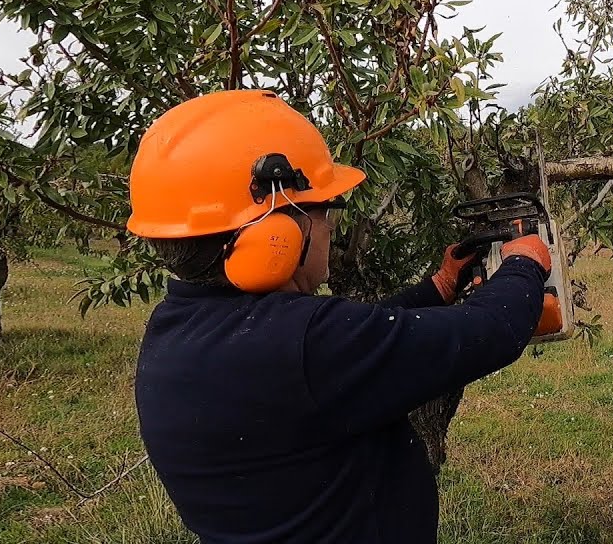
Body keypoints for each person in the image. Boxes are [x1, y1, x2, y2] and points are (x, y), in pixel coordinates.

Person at [126, 90, 550, 544]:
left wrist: (440, 286)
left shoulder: (178, 330)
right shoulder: (306, 346)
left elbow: (353, 343)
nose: (329, 228)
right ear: (279, 231)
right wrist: (525, 264)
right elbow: (488, 332)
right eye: (324, 211)